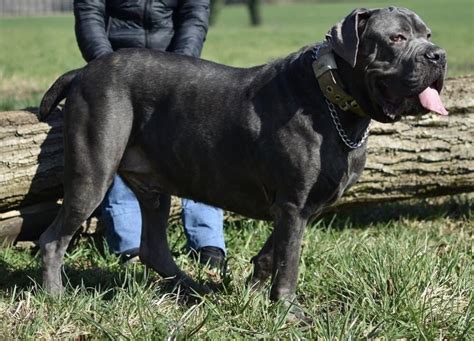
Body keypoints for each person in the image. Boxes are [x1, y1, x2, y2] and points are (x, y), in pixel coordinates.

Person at [73, 0, 226, 268]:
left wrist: (178, 70)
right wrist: (109, 69)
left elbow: (194, 16)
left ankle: (208, 242)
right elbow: (89, 14)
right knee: (116, 152)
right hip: (118, 74)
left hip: (175, 73)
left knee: (199, 149)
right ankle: (130, 243)